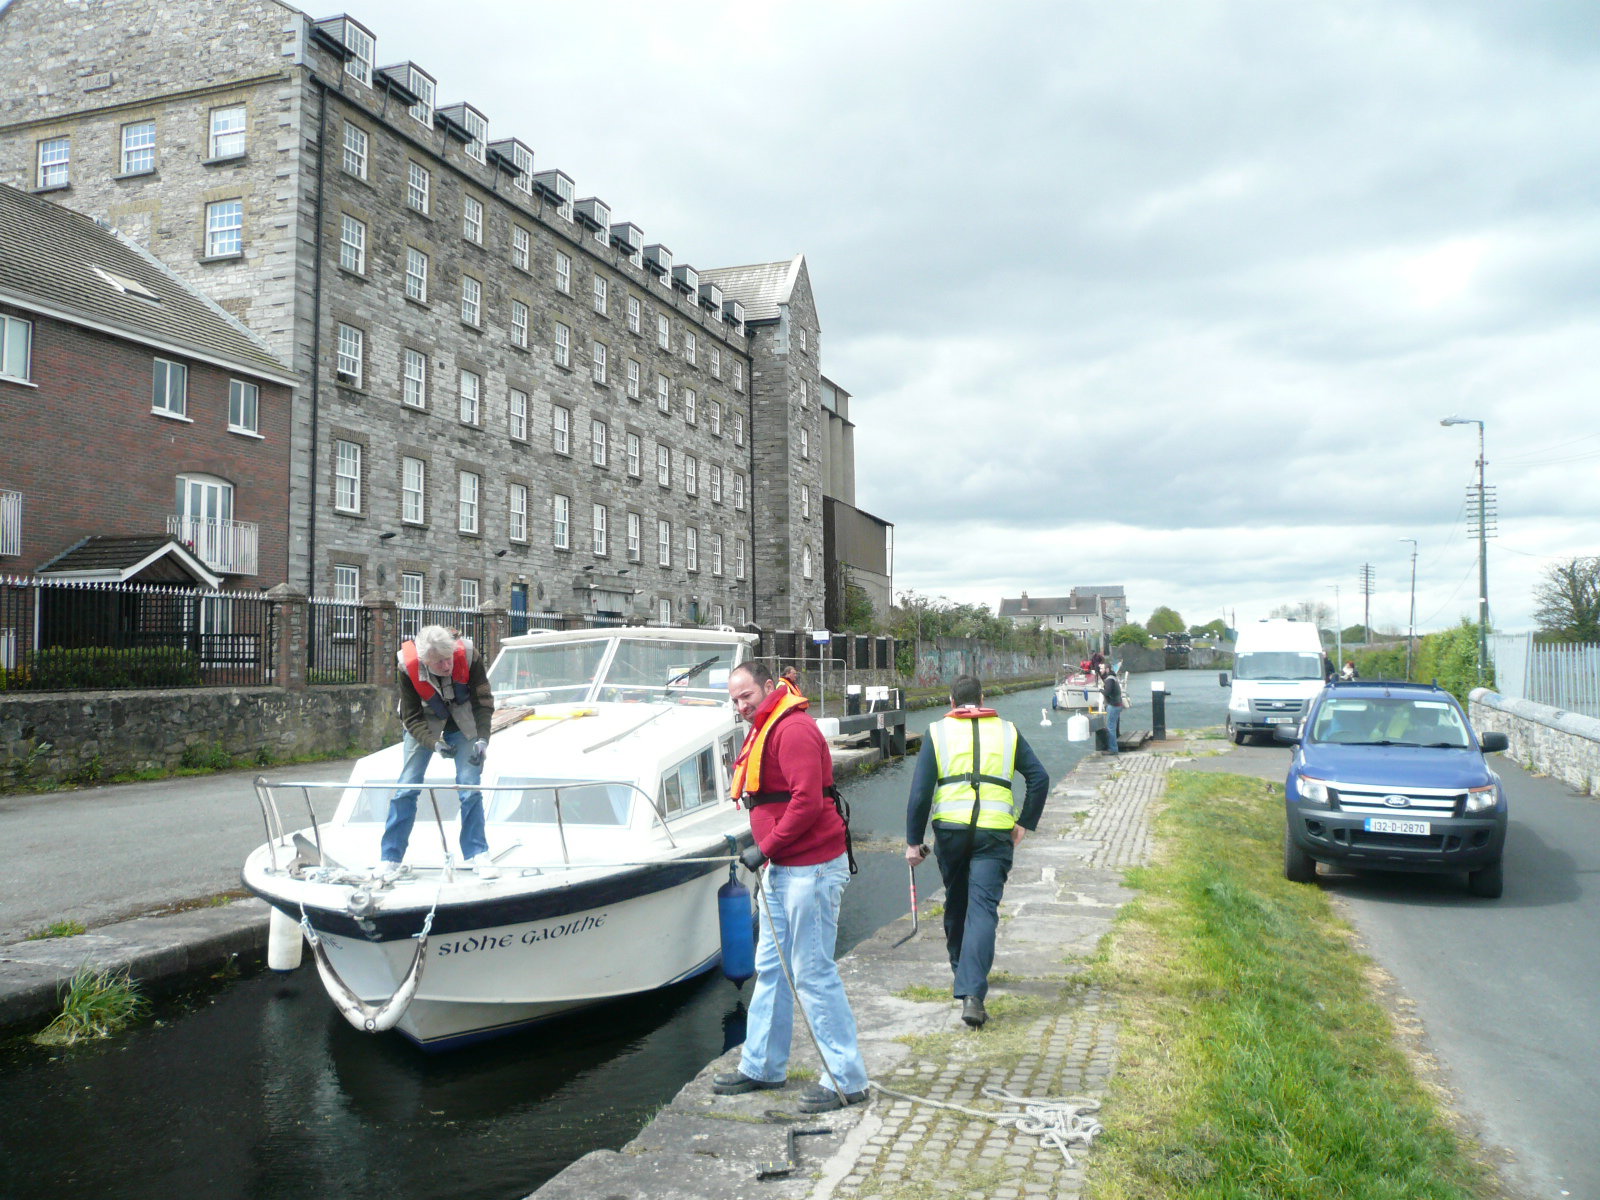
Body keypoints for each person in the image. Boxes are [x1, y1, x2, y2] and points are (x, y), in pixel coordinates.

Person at [714, 660, 870, 1114]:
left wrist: (765, 848)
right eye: (735, 700)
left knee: (813, 972)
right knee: (772, 967)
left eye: (747, 695)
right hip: (783, 869)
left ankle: (847, 1078)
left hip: (811, 869)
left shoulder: (793, 729)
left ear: (768, 686)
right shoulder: (767, 726)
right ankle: (762, 1066)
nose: (742, 706)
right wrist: (769, 852)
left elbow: (806, 802)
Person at [905, 675, 1050, 1028]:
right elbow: (1039, 778)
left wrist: (913, 841)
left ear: (951, 702)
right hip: (994, 832)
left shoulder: (938, 732)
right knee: (983, 909)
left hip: (951, 834)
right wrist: (1024, 822)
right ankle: (972, 992)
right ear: (983, 698)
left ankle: (962, 971)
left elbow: (921, 792)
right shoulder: (1007, 731)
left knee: (956, 903)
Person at [379, 624, 497, 881]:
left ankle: (478, 853)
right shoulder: (406, 668)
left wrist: (482, 740)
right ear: (424, 662)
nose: (446, 667)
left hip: (464, 719)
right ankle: (390, 857)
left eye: (447, 660)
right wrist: (433, 743)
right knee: (407, 787)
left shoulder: (468, 655)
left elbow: (484, 702)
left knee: (470, 786)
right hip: (425, 721)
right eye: (438, 663)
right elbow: (410, 717)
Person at [1100, 664, 1125, 755]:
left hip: (1113, 705)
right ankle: (1113, 747)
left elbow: (1107, 692)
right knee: (1112, 727)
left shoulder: (1110, 679)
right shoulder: (1112, 677)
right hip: (1117, 705)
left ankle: (1113, 749)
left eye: (1101, 668)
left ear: (1107, 669)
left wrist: (1100, 690)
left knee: (1110, 728)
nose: (1100, 670)